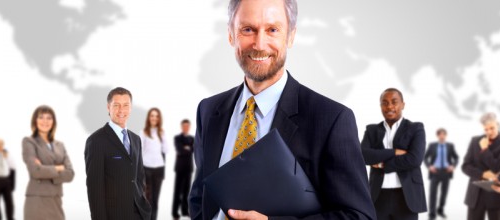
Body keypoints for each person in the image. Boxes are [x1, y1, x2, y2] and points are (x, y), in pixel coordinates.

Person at [188, 0, 376, 219]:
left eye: (272, 30)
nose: (259, 44)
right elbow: (200, 197)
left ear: (291, 36)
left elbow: (359, 216)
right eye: (248, 29)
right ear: (231, 34)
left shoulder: (331, 120)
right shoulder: (209, 111)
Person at [85, 87, 151, 220]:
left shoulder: (136, 139)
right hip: (114, 215)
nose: (121, 110)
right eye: (116, 105)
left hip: (139, 213)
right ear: (108, 107)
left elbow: (139, 177)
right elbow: (94, 188)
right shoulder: (96, 140)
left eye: (126, 105)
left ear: (131, 108)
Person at [361, 88, 428, 220]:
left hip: (406, 197)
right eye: (384, 103)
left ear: (403, 104)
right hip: (377, 197)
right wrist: (394, 152)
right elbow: (363, 155)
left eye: (394, 102)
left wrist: (381, 164)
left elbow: (414, 159)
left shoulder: (416, 128)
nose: (389, 106)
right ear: (380, 106)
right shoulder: (372, 130)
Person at [22, 105, 74, 220]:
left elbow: (70, 174)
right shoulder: (29, 142)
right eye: (41, 117)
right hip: (37, 201)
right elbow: (35, 171)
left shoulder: (60, 145)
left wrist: (45, 169)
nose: (45, 121)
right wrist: (59, 168)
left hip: (56, 202)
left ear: (53, 122)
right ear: (35, 120)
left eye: (49, 118)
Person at [462, 112, 500, 220]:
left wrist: (485, 149)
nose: (489, 132)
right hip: (475, 195)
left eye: (492, 128)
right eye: (486, 129)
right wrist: (482, 174)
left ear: (497, 124)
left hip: (495, 194)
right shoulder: (475, 141)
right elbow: (465, 166)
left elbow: (497, 167)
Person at [140, 107, 170, 220]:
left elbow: (166, 150)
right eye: (152, 115)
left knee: (155, 199)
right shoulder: (143, 132)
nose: (154, 118)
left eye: (156, 116)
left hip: (159, 169)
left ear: (159, 119)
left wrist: (162, 135)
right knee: (147, 198)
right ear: (149, 117)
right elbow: (140, 151)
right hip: (146, 168)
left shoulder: (161, 133)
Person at [423, 128, 459, 220]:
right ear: (438, 135)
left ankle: (440, 210)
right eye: (440, 134)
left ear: (446, 135)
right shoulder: (432, 145)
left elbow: (456, 157)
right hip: (435, 172)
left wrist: (453, 166)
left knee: (444, 193)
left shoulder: (450, 146)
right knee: (433, 193)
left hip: (446, 172)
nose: (442, 136)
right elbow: (425, 157)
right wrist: (429, 166)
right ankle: (432, 214)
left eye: (444, 134)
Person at [172, 119, 194, 220]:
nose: (186, 128)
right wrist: (187, 148)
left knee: (186, 191)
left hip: (188, 168)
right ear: (181, 127)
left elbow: (194, 149)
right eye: (184, 126)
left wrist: (187, 148)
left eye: (187, 126)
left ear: (189, 127)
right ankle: (175, 212)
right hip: (180, 168)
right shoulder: (177, 138)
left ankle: (185, 211)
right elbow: (179, 150)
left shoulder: (192, 138)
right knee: (177, 191)